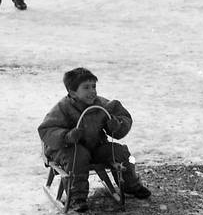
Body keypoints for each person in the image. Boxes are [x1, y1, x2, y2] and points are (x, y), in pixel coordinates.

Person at [38, 67, 151, 205]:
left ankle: (132, 185)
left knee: (120, 152)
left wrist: (116, 124)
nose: (92, 91)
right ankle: (77, 196)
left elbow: (124, 117)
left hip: (96, 147)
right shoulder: (62, 108)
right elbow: (47, 129)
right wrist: (67, 136)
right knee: (78, 156)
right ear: (73, 92)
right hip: (67, 150)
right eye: (86, 87)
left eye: (93, 86)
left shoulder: (102, 105)